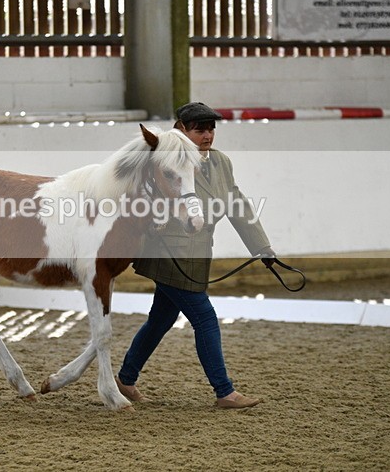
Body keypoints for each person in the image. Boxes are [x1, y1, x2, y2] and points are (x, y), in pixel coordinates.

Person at [116, 101, 275, 409]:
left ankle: (125, 378)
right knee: (205, 318)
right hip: (169, 254)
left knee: (161, 319)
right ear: (181, 130)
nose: (207, 136)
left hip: (196, 255)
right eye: (200, 130)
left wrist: (262, 248)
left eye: (211, 129)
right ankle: (224, 391)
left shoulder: (220, 163)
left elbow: (237, 204)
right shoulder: (166, 162)